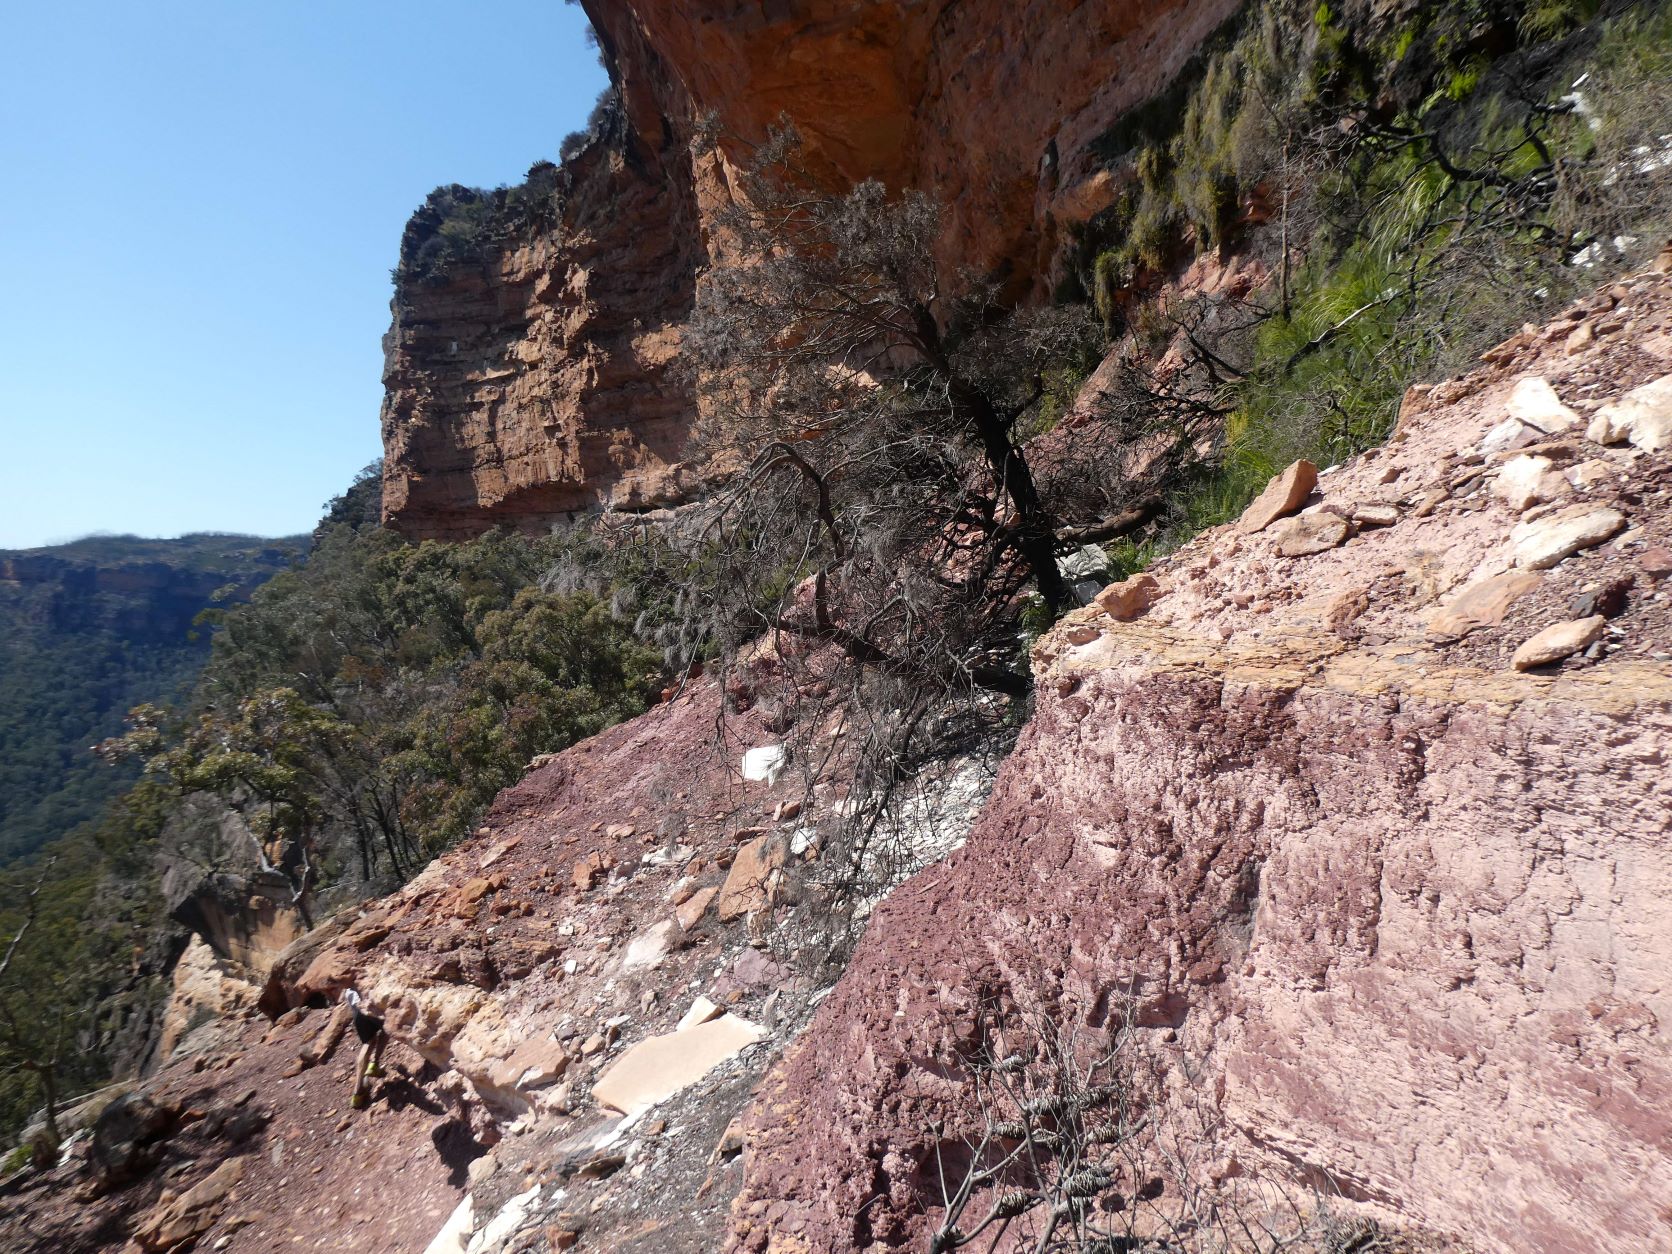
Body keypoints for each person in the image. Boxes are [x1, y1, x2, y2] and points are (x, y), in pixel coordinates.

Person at [342, 989, 387, 1110]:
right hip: (370, 1003)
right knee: (387, 1030)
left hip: (357, 1009)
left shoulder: (346, 983)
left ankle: (357, 1092)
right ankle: (374, 1064)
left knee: (368, 1043)